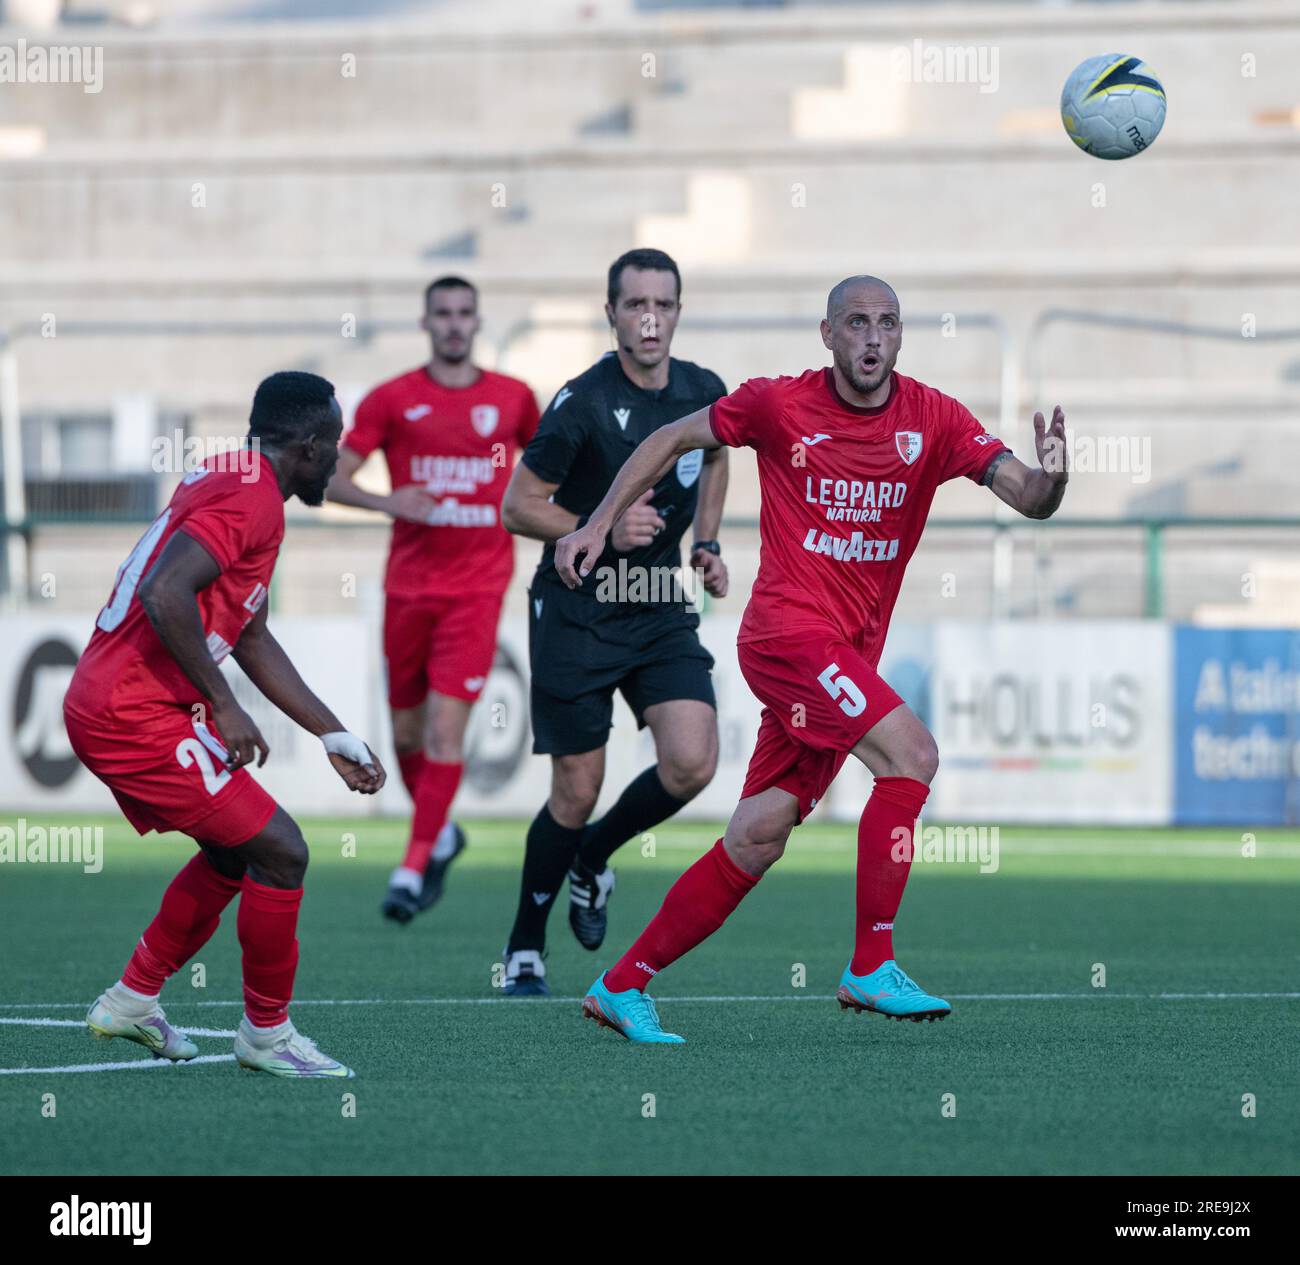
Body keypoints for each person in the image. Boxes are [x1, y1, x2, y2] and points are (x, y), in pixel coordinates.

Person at [556, 275, 1070, 1043]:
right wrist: (596, 524)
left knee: (760, 834)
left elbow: (1026, 495)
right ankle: (871, 964)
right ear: (827, 335)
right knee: (912, 756)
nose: (872, 337)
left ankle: (621, 984)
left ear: (901, 336)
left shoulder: (934, 418)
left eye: (887, 323)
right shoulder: (777, 404)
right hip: (787, 636)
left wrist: (1054, 477)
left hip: (840, 654)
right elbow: (669, 439)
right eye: (856, 322)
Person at [65, 371, 386, 1078]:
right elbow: (163, 590)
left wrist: (333, 733)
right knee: (284, 851)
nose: (339, 459)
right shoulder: (253, 498)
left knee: (234, 852)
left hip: (125, 701)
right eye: (334, 444)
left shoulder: (236, 475)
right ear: (307, 446)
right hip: (131, 710)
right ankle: (265, 1035)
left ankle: (133, 998)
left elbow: (251, 635)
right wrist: (226, 704)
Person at [496, 248, 730, 996]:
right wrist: (598, 525)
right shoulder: (582, 403)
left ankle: (593, 859)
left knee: (693, 759)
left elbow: (719, 455)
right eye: (636, 305)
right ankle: (525, 945)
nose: (650, 317)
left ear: (678, 312)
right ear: (612, 314)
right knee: (576, 786)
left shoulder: (702, 391)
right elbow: (517, 504)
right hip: (576, 606)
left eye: (663, 303)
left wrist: (708, 543)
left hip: (659, 599)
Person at [326, 276, 539, 923]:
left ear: (478, 321)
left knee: (447, 732)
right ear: (425, 321)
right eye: (442, 313)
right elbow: (332, 476)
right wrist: (388, 500)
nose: (454, 323)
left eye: (464, 313)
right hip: (408, 589)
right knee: (406, 733)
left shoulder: (513, 399)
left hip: (476, 589)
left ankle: (411, 866)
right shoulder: (394, 398)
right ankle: (440, 834)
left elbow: (557, 462)